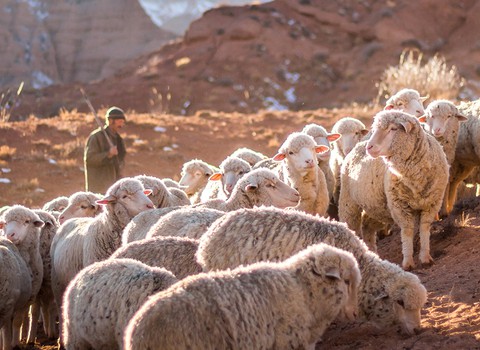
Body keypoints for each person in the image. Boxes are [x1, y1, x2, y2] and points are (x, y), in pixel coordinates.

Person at [84, 106, 127, 193]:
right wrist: (108, 154)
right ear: (110, 121)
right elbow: (89, 159)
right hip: (98, 188)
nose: (121, 125)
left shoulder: (119, 140)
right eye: (119, 122)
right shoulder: (96, 137)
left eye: (123, 122)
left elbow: (121, 161)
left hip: (114, 187)